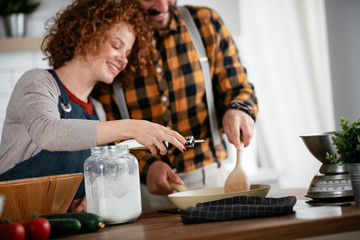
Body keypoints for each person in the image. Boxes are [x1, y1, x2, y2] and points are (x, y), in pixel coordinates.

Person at [0, 0, 187, 212]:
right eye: (117, 46)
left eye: (127, 54)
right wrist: (133, 127)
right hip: (11, 212)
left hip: (57, 222)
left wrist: (91, 196)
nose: (123, 60)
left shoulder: (97, 109)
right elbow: (49, 133)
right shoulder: (37, 81)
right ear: (85, 35)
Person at [92, 0, 258, 208]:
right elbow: (105, 128)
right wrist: (147, 167)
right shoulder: (114, 41)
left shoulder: (206, 23)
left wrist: (238, 110)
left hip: (210, 179)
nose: (162, 6)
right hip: (142, 188)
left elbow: (239, 88)